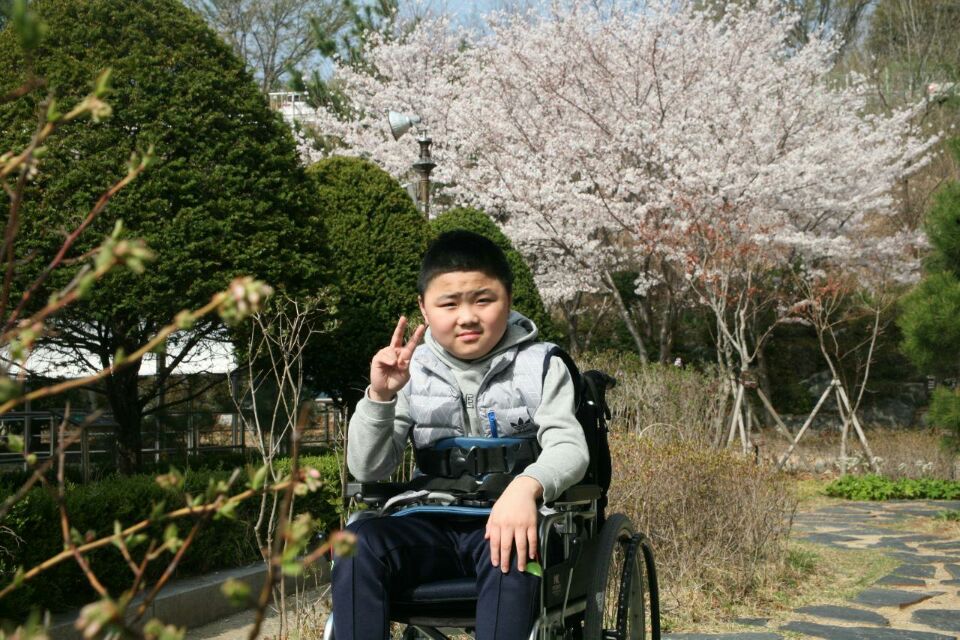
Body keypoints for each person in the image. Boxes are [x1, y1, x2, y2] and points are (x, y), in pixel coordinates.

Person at [331, 230, 589, 640]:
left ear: (508, 298)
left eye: (483, 300)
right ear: (424, 307)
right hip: (429, 522)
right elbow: (368, 468)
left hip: (512, 524)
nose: (467, 317)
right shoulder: (410, 371)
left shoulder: (542, 365)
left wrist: (525, 489)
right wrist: (381, 397)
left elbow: (569, 447)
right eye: (449, 304)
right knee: (357, 541)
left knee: (514, 548)